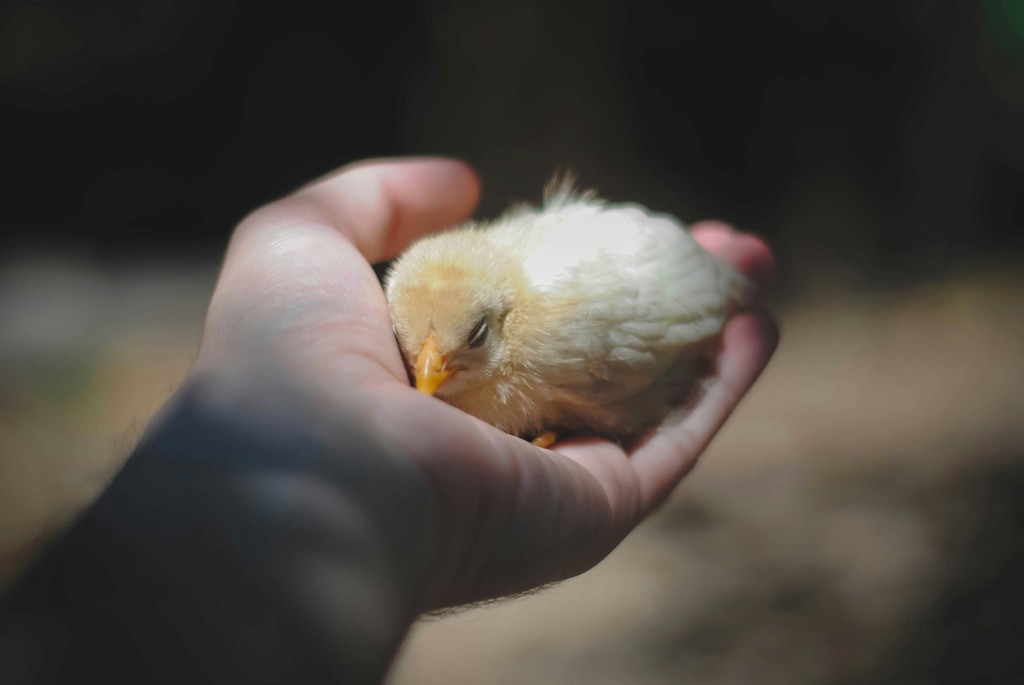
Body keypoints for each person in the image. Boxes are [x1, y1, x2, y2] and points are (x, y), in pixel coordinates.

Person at [0, 158, 778, 683]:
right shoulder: (434, 312)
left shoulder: (568, 323)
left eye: (468, 343)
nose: (430, 372)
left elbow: (688, 298)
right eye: (415, 349)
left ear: (504, 317)